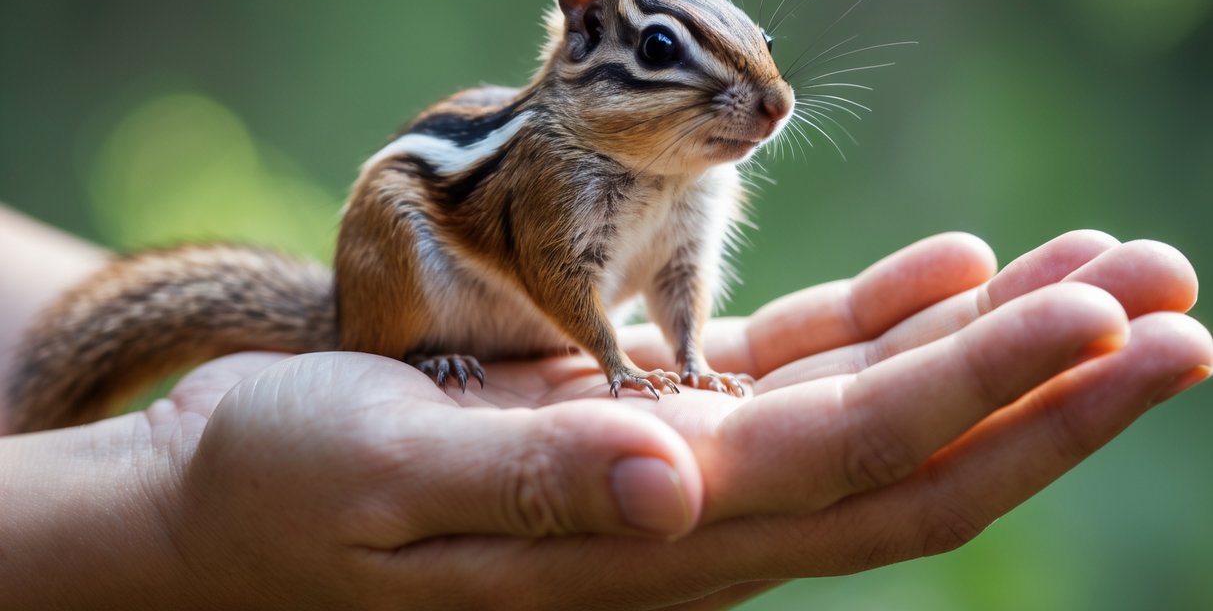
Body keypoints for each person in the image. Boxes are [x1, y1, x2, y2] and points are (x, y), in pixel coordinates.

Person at [0, 204, 1208, 609]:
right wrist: (160, 503)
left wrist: (674, 359)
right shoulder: (556, 154)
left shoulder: (691, 170)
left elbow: (665, 286)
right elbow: (569, 277)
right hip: (423, 297)